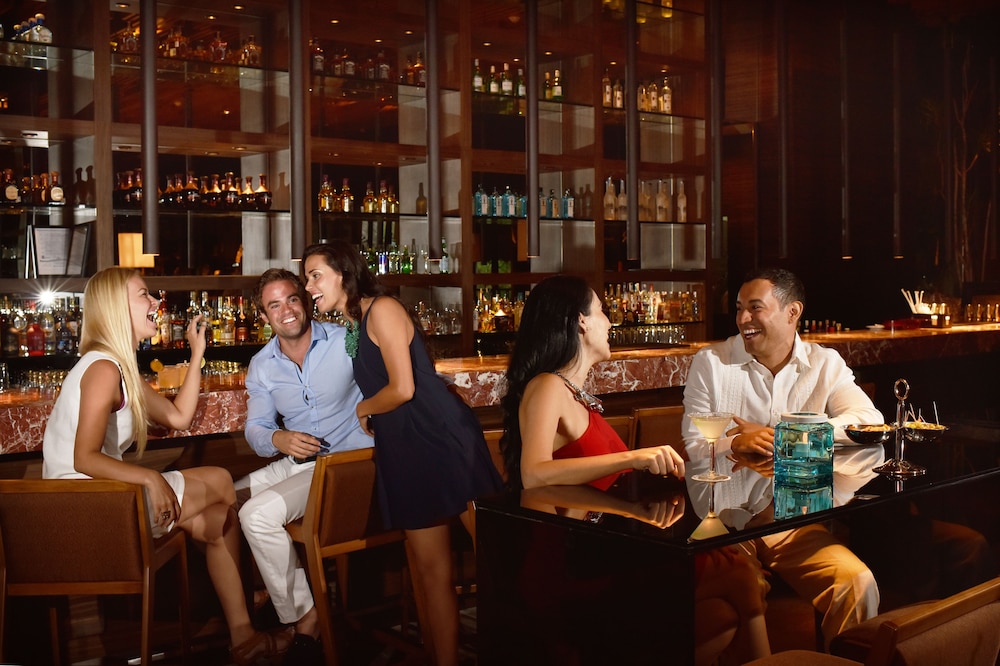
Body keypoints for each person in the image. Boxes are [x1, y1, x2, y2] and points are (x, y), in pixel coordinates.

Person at [499, 274, 771, 664]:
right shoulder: (547, 386)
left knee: (722, 616)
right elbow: (533, 473)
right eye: (602, 312)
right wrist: (634, 457)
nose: (610, 322)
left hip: (605, 556)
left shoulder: (576, 396)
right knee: (741, 573)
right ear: (580, 322)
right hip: (571, 574)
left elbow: (614, 490)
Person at [42, 267, 285, 666]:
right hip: (87, 509)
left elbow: (178, 418)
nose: (156, 302)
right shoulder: (103, 369)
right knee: (220, 479)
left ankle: (244, 635)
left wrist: (197, 353)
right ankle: (253, 597)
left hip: (98, 501)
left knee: (218, 519)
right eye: (144, 295)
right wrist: (151, 477)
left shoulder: (117, 367)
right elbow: (83, 457)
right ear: (116, 307)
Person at [302, 240, 503, 666]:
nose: (308, 287)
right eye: (307, 278)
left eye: (315, 275)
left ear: (344, 274)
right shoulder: (354, 326)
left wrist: (364, 408)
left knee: (501, 556)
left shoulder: (384, 309)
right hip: (405, 450)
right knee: (430, 573)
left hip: (442, 441)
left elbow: (403, 388)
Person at [682, 266, 885, 647]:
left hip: (793, 523)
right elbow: (693, 447)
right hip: (725, 526)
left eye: (755, 307)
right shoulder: (711, 363)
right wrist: (733, 444)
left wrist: (783, 437)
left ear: (793, 312)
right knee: (743, 591)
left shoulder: (825, 364)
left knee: (857, 583)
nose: (743, 318)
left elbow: (869, 423)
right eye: (739, 308)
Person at [236, 267, 372, 665]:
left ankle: (305, 619)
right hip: (297, 463)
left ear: (305, 301)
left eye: (292, 299)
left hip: (345, 465)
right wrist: (278, 438)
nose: (287, 311)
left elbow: (388, 376)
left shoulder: (345, 339)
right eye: (274, 305)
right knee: (221, 501)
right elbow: (256, 428)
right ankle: (259, 595)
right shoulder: (262, 364)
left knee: (256, 515)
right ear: (264, 316)